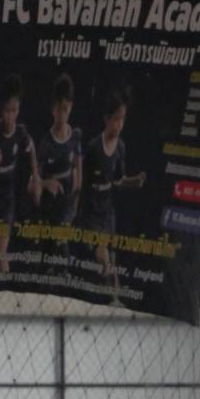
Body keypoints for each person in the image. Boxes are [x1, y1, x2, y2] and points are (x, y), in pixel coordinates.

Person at [77, 88, 146, 298]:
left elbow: (118, 181)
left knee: (112, 255)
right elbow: (81, 181)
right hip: (91, 209)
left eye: (122, 119)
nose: (119, 124)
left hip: (107, 209)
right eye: (116, 119)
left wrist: (134, 181)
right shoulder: (92, 148)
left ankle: (115, 297)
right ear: (106, 119)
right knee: (102, 253)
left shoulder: (121, 147)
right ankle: (102, 284)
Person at [0, 73, 39, 275]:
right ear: (0, 110)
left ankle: (4, 284)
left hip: (7, 201)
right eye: (7, 111)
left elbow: (31, 148)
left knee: (2, 254)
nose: (11, 116)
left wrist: (36, 177)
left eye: (15, 111)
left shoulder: (21, 133)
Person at [33, 73, 82, 226]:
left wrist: (74, 206)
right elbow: (32, 184)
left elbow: (79, 180)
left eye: (65, 110)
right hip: (48, 213)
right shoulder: (46, 143)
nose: (61, 115)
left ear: (71, 107)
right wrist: (46, 183)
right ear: (53, 109)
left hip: (67, 214)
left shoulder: (76, 136)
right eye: (59, 109)